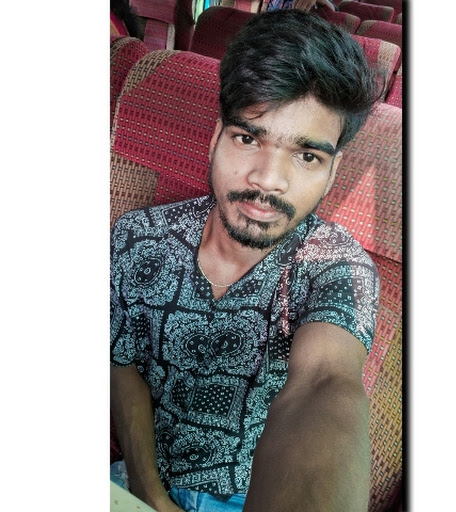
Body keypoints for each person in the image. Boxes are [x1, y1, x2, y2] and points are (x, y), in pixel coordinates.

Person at [111, 9, 381, 512]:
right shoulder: (137, 238)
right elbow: (120, 361)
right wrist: (151, 493)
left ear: (332, 170)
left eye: (307, 156)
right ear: (216, 136)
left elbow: (325, 383)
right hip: (135, 477)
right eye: (248, 138)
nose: (267, 179)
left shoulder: (336, 269)